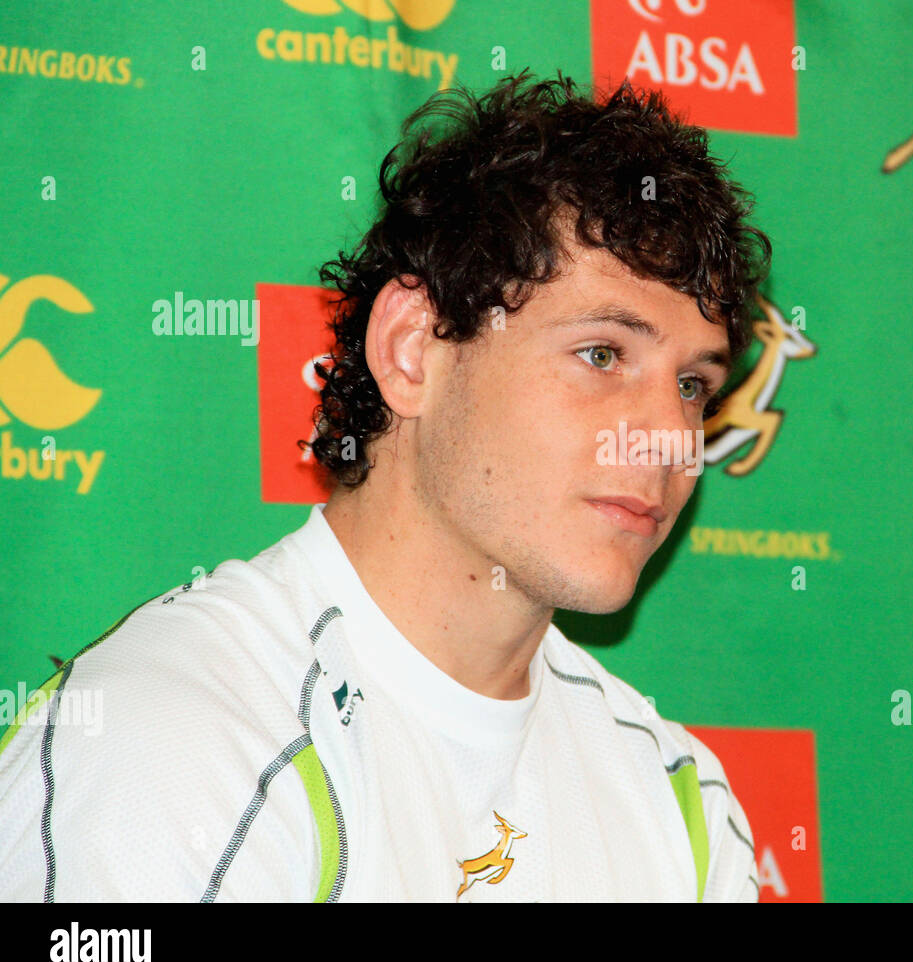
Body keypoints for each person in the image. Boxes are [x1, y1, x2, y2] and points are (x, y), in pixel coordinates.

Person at [0, 70, 772, 902]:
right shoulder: (174, 742)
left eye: (693, 386)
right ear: (413, 351)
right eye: (602, 354)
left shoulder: (674, 795)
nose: (664, 438)